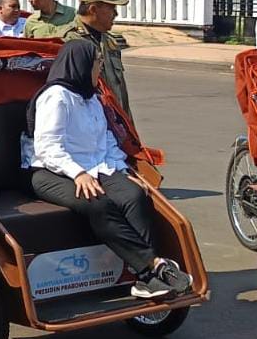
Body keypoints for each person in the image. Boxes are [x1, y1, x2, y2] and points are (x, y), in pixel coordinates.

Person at [23, 39, 191, 299]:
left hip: (96, 166)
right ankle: (152, 268)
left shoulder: (92, 99)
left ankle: (144, 278)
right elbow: (48, 148)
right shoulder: (56, 97)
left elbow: (108, 142)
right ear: (81, 65)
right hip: (50, 171)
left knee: (134, 197)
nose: (100, 68)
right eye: (98, 62)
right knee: (98, 203)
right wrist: (77, 173)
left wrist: (124, 173)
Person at [62, 0, 133, 119]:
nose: (116, 14)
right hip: (89, 125)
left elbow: (121, 92)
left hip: (115, 123)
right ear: (93, 9)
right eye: (111, 8)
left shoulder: (109, 41)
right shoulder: (71, 42)